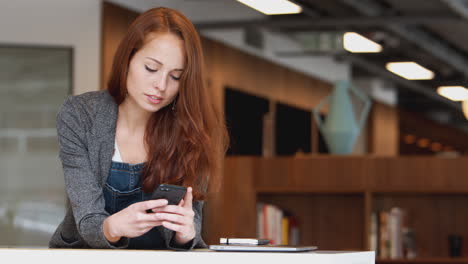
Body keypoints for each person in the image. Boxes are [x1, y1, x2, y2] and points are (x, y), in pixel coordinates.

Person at [49, 7, 228, 250]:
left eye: (176, 76)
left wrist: (186, 232)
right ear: (128, 59)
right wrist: (114, 227)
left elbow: (192, 222)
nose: (161, 86)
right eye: (151, 68)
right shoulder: (80, 115)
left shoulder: (193, 128)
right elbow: (88, 219)